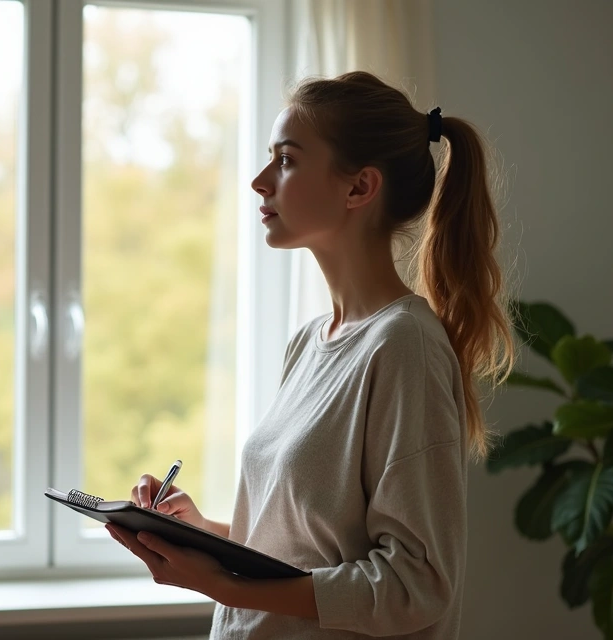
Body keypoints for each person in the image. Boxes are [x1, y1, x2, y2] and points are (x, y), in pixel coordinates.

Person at [105, 70, 516, 639]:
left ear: (358, 188)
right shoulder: (309, 343)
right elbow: (306, 552)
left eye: (287, 160)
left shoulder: (404, 347)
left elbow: (415, 584)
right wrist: (204, 532)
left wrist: (222, 586)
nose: (258, 181)